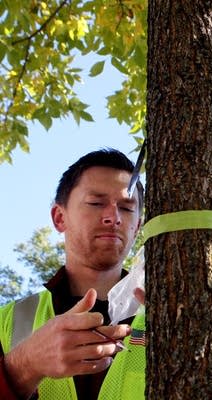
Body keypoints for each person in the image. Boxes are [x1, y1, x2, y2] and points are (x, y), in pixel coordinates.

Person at [0, 148, 146, 400]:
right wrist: (23, 367)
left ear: (138, 227)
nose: (114, 217)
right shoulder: (7, 322)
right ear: (59, 217)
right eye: (96, 203)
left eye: (126, 207)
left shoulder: (171, 318)